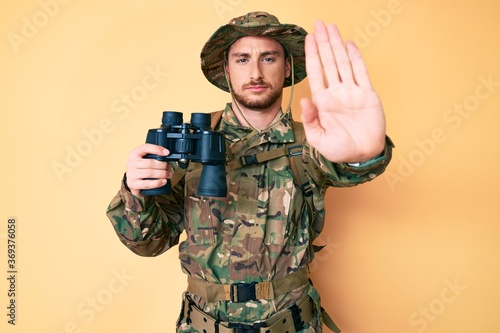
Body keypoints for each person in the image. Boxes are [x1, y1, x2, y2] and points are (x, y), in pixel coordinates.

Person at [106, 11, 394, 333]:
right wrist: (135, 191)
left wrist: (363, 153)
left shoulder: (311, 141)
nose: (255, 72)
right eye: (242, 59)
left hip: (292, 324)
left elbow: (346, 165)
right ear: (226, 69)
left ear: (287, 68)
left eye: (268, 58)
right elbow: (149, 243)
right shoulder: (192, 145)